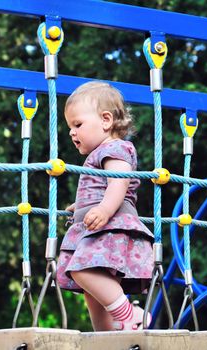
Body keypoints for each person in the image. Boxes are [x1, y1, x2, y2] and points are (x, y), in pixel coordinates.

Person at [57, 81, 154, 331]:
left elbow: (118, 184)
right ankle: (107, 335)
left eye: (77, 124)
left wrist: (103, 210)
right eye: (70, 127)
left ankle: (129, 314)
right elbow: (100, 188)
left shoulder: (116, 148)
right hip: (101, 228)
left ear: (106, 120)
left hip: (112, 226)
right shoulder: (101, 152)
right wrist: (81, 206)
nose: (71, 132)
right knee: (93, 291)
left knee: (81, 271)